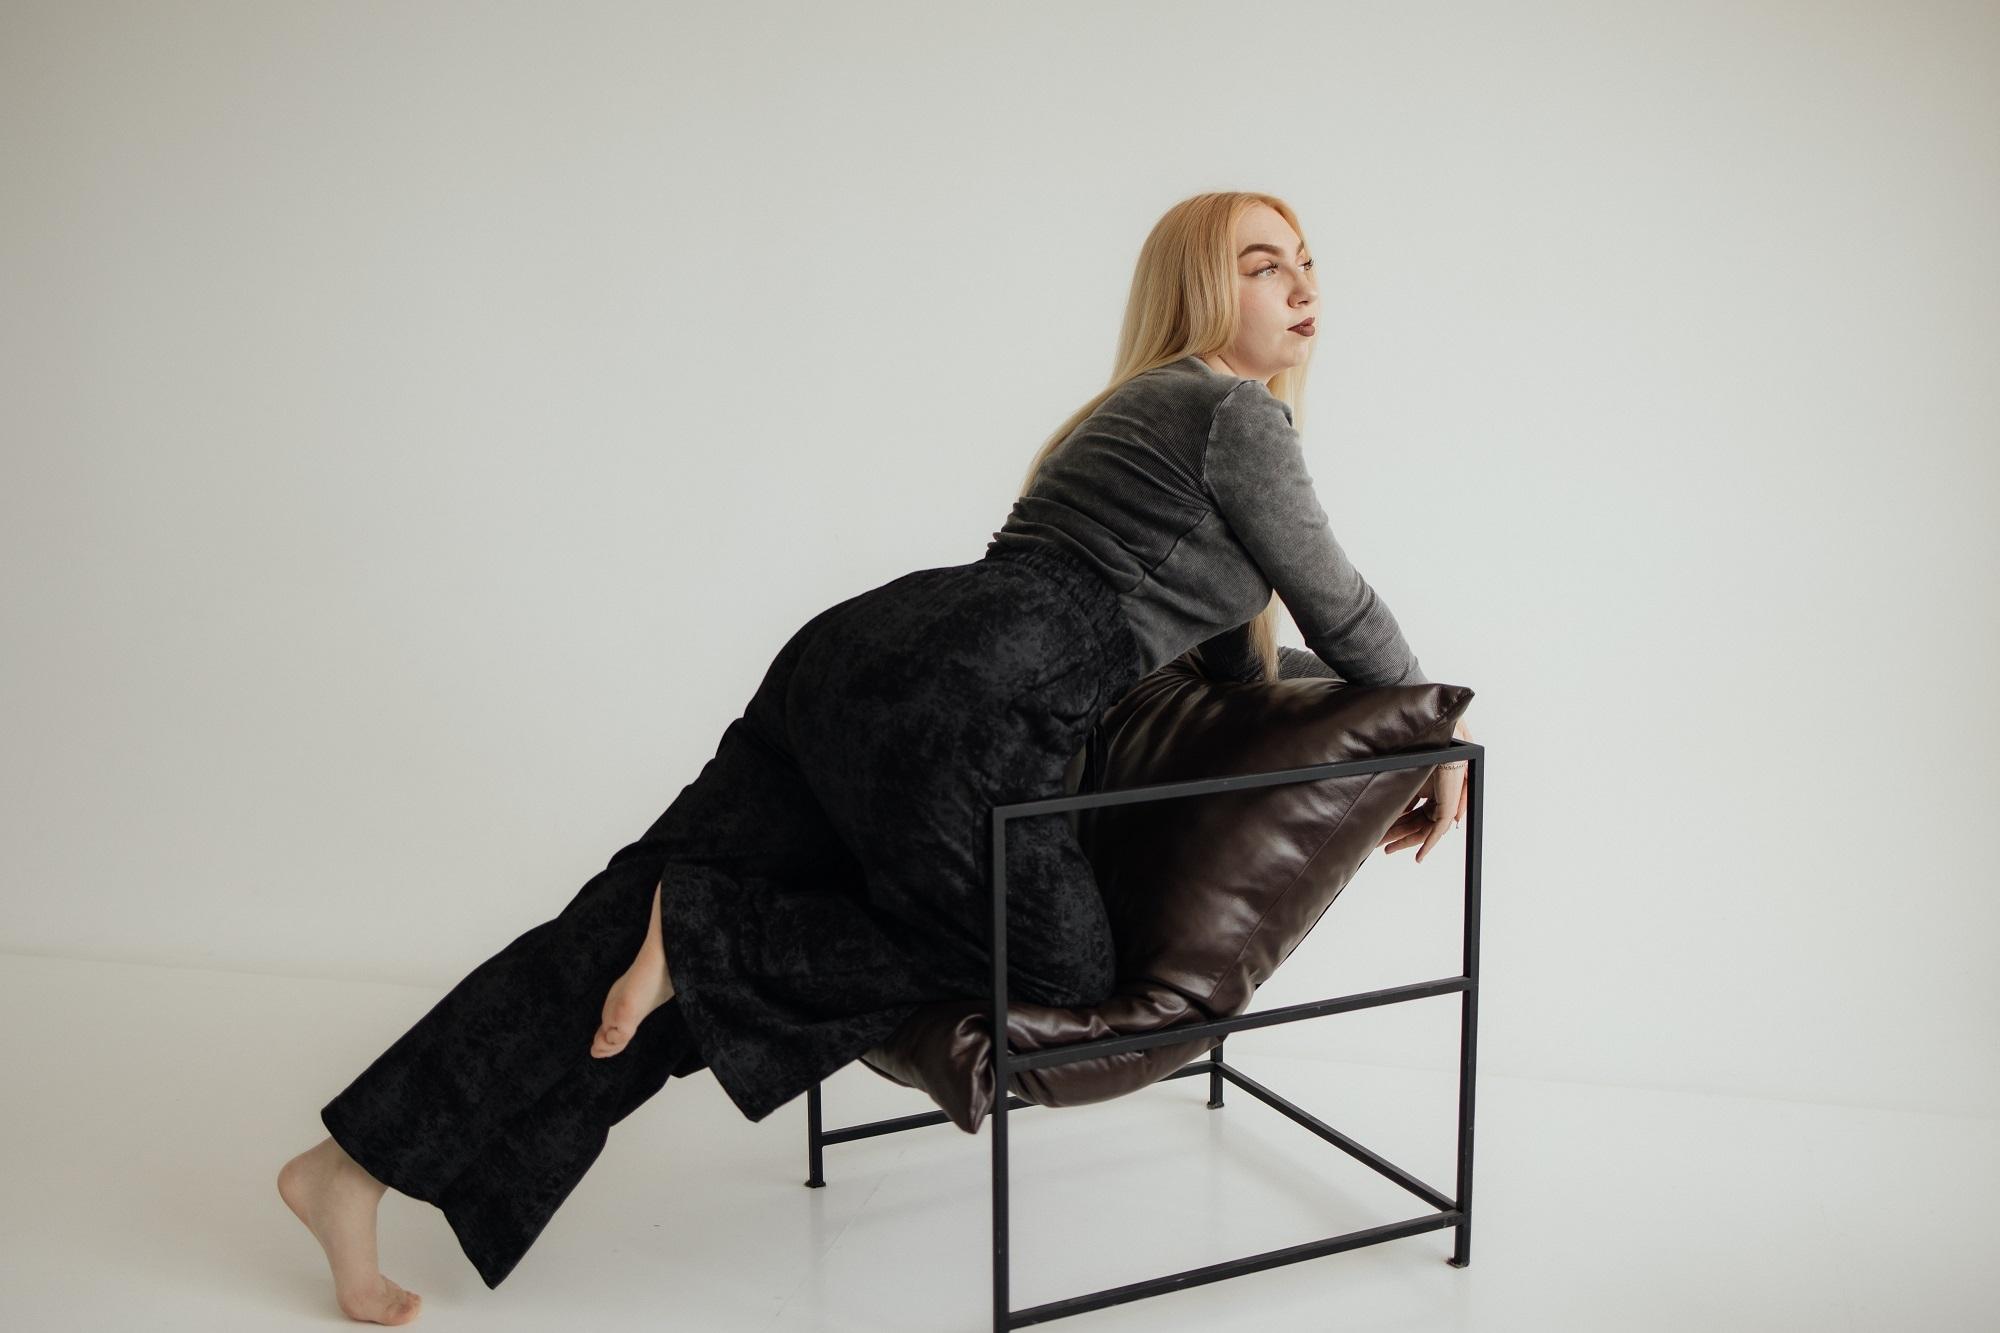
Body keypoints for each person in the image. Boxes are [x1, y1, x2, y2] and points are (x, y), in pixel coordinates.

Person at [275, 190, 1473, 1324]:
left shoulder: (1127, 413)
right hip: (976, 695)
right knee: (1056, 974)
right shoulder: (1237, 416)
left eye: (1305, 263)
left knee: (611, 921)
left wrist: (1362, 711)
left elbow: (1240, 675)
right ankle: (704, 935)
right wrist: (1435, 728)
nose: (1300, 286)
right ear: (1202, 290)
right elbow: (1342, 611)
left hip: (861, 653)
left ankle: (353, 1162)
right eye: (1262, 266)